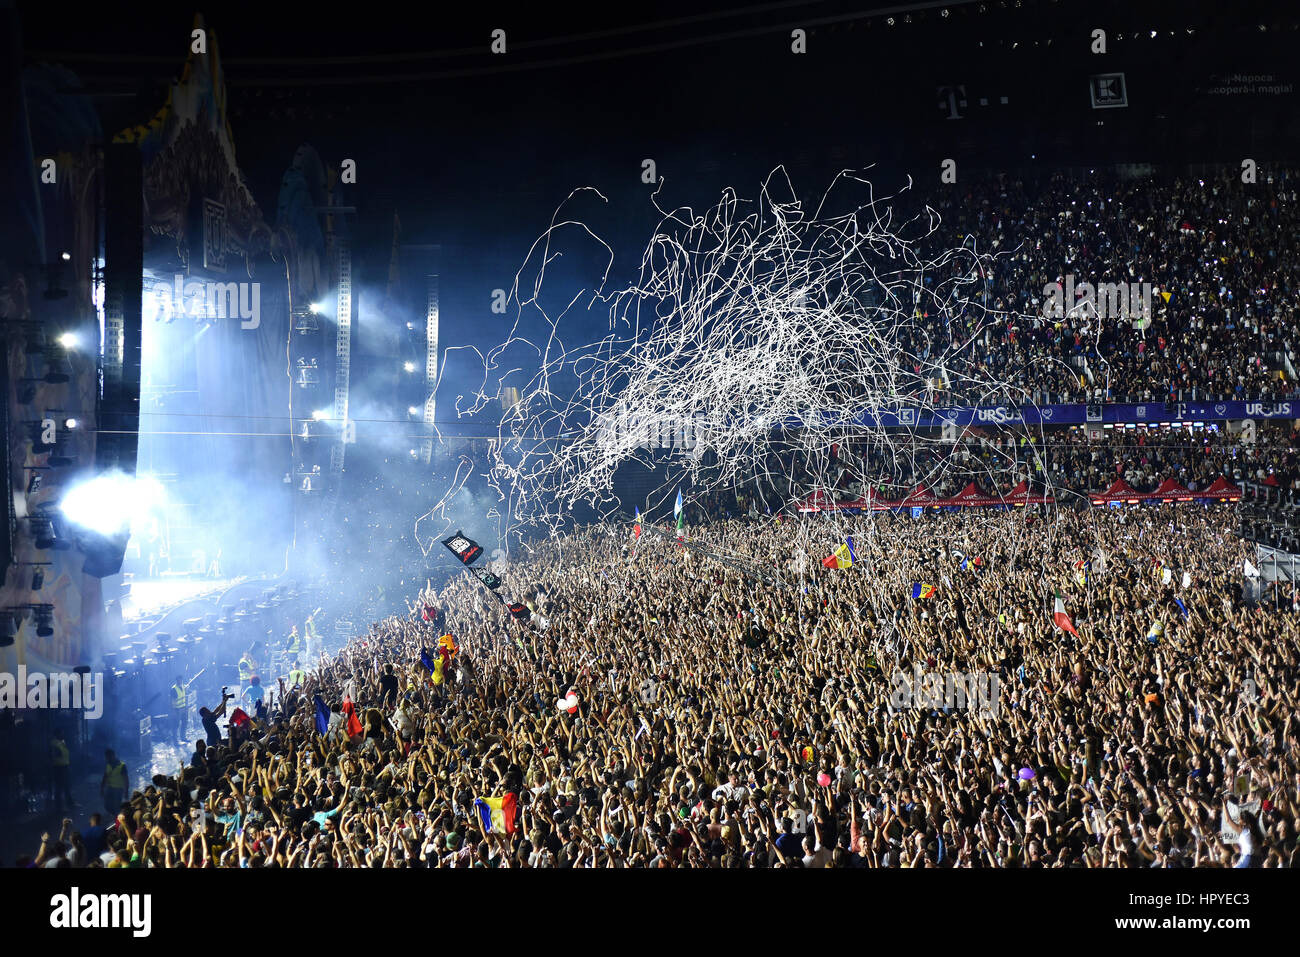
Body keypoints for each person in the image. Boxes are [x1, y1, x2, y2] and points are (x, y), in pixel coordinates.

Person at [49, 730, 72, 812]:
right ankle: (59, 807)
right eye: (61, 733)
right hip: (58, 768)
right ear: (57, 734)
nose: (63, 734)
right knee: (59, 788)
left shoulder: (61, 742)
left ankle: (69, 803)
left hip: (64, 766)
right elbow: (54, 754)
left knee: (66, 786)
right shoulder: (55, 743)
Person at [100, 749, 128, 817]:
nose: (107, 759)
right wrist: (102, 788)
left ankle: (118, 819)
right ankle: (116, 815)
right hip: (109, 787)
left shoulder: (122, 766)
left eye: (108, 757)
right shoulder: (108, 764)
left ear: (113, 755)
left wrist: (126, 791)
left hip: (118, 789)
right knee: (107, 805)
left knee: (116, 806)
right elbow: (105, 776)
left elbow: (126, 779)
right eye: (106, 757)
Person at [169, 675, 190, 746]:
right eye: (179, 680)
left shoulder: (183, 686)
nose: (180, 681)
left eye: (181, 680)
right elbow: (171, 701)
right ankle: (175, 741)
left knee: (184, 723)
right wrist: (173, 711)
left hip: (183, 708)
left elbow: (184, 693)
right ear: (176, 680)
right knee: (176, 725)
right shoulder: (173, 689)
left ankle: (183, 737)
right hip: (177, 710)